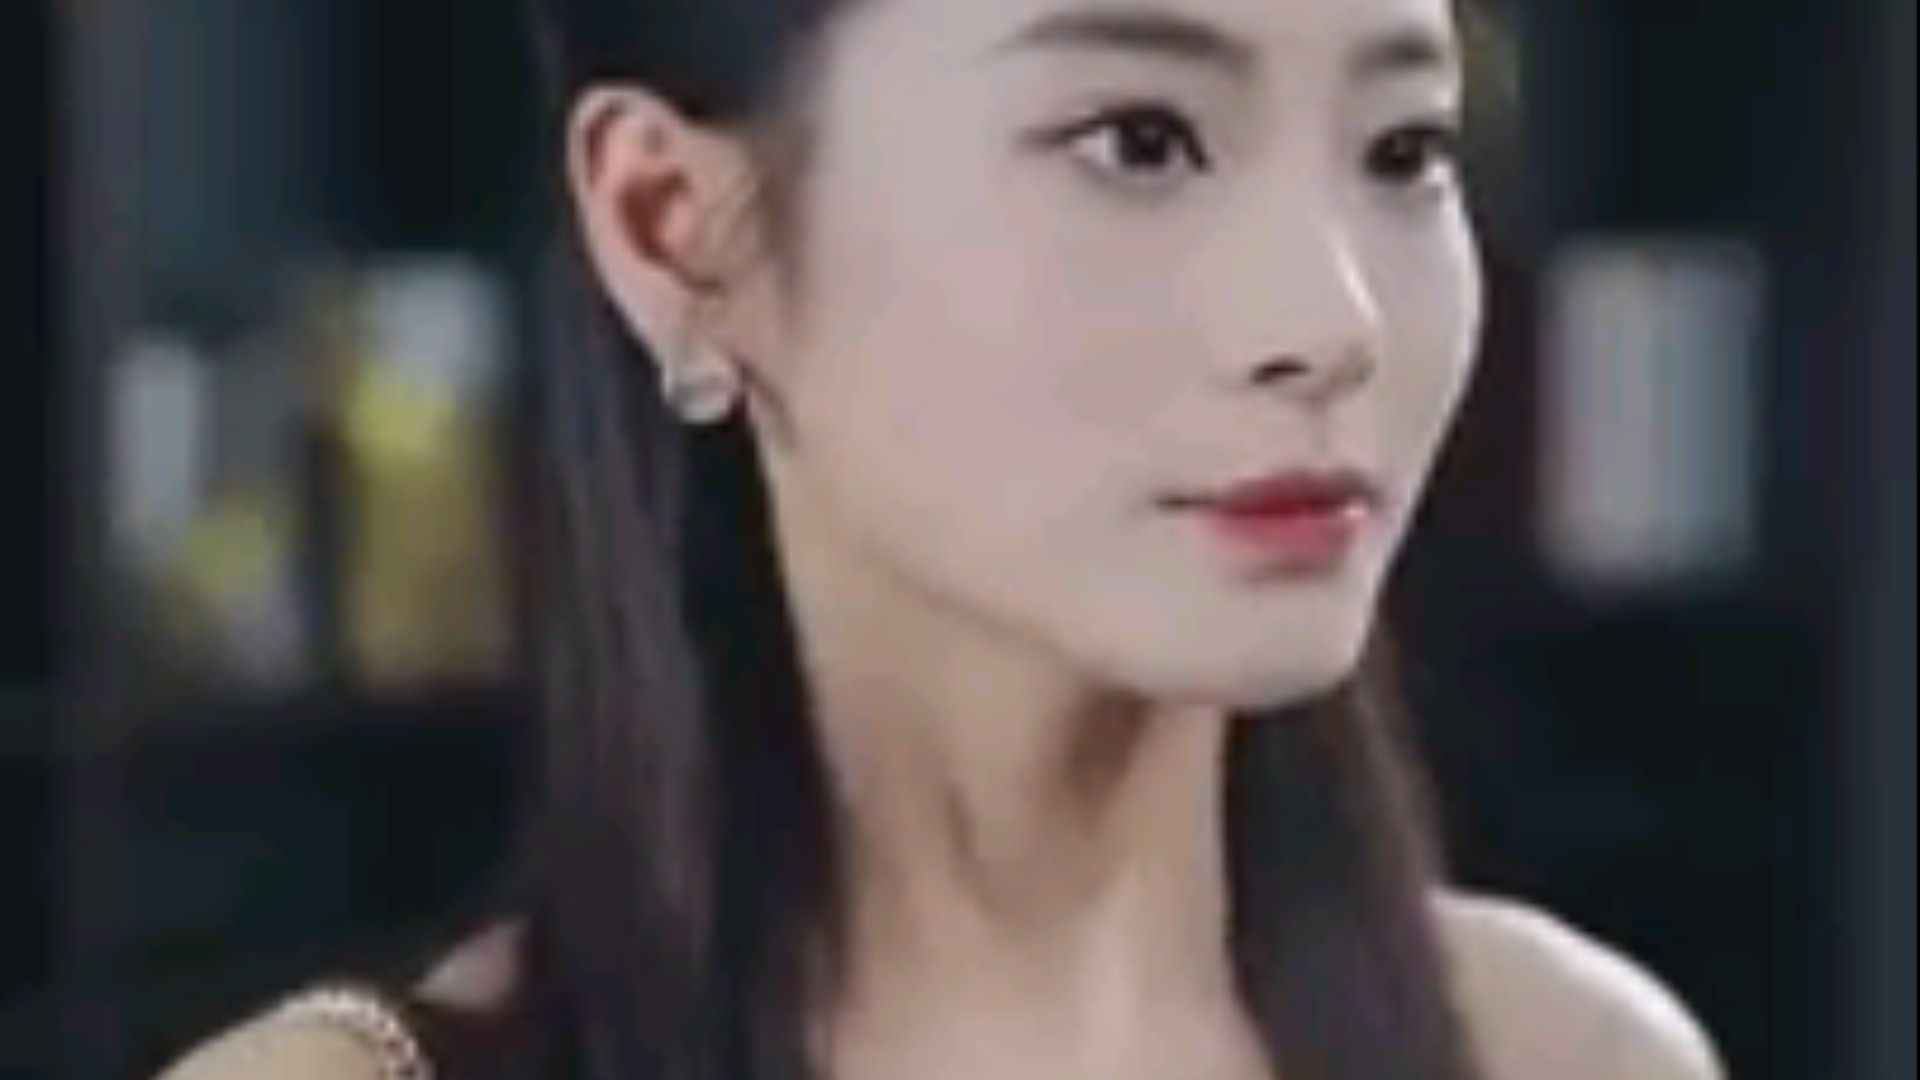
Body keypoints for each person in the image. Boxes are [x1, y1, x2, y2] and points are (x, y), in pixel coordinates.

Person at [159, 0, 1728, 1076]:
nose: (1334, 322)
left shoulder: (1567, 1057)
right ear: (675, 227)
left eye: (1405, 150)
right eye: (1140, 139)